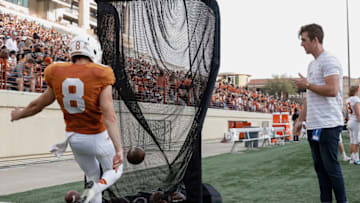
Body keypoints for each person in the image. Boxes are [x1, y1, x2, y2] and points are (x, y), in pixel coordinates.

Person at [10, 33, 124, 203]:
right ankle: (96, 189)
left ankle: (93, 192)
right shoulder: (101, 73)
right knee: (116, 169)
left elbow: (38, 105)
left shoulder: (57, 72)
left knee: (92, 175)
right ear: (93, 51)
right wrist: (119, 149)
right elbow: (109, 115)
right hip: (97, 137)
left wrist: (18, 115)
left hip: (75, 139)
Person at [293, 23, 347, 203]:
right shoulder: (312, 64)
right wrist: (300, 121)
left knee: (331, 168)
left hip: (329, 123)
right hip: (315, 125)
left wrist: (307, 84)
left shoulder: (329, 60)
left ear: (315, 40)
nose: (301, 44)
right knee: (320, 169)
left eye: (304, 40)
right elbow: (310, 96)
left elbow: (332, 90)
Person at [345, 85, 360, 165]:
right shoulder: (356, 99)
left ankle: (352, 158)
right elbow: (358, 114)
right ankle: (356, 159)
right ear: (357, 90)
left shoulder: (347, 100)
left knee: (352, 141)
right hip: (355, 122)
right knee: (356, 141)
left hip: (350, 121)